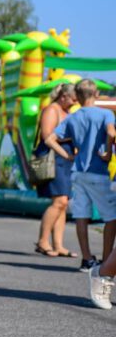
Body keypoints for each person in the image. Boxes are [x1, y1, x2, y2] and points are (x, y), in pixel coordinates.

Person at [44, 79, 116, 309]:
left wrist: (67, 156)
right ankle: (106, 261)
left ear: (77, 94)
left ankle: (87, 258)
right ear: (95, 92)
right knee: (110, 218)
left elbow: (50, 139)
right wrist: (106, 150)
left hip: (77, 171)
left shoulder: (73, 117)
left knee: (81, 216)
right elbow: (111, 132)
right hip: (98, 171)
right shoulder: (104, 115)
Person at [33, 83, 77, 258]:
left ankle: (58, 245)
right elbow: (47, 135)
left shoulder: (67, 112)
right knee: (59, 201)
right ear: (63, 96)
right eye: (73, 99)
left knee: (63, 203)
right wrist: (71, 136)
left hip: (65, 160)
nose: (75, 102)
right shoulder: (52, 109)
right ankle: (43, 241)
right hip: (54, 159)